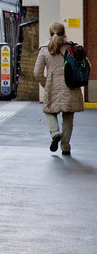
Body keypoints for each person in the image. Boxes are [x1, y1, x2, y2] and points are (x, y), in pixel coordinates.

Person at [33, 22, 84, 155]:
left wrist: (46, 84)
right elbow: (86, 65)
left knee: (50, 111)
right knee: (68, 116)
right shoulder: (73, 48)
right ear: (64, 32)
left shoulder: (44, 49)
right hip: (70, 85)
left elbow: (37, 72)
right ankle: (65, 146)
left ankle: (55, 133)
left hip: (52, 86)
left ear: (51, 33)